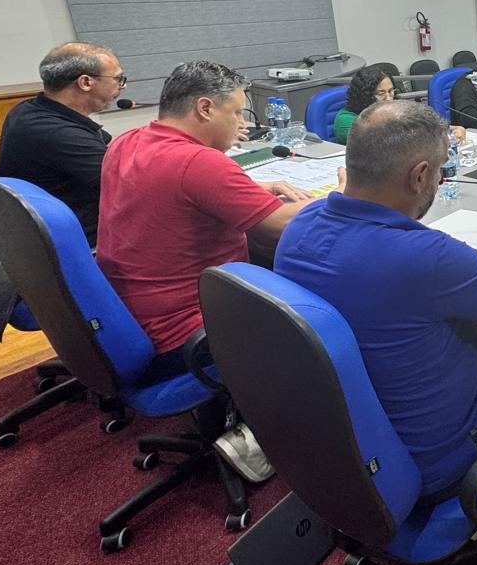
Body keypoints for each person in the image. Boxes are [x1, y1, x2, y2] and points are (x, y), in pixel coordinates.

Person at [275, 101, 477, 497]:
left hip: (348, 445)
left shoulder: (299, 225)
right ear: (420, 176)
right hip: (437, 455)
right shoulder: (425, 256)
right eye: (439, 171)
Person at [97, 60, 329, 370]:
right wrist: (341, 195)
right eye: (235, 113)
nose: (241, 124)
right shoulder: (199, 161)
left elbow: (168, 188)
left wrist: (253, 186)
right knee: (328, 312)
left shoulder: (128, 140)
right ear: (205, 108)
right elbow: (282, 226)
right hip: (188, 332)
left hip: (128, 315)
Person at [0, 42, 123, 245]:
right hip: (83, 243)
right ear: (86, 82)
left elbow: (113, 145)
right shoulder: (56, 133)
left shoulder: (30, 110)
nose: (122, 86)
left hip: (35, 241)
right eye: (118, 79)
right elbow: (131, 181)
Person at [335, 65, 395, 144]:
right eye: (381, 93)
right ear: (365, 95)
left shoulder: (391, 109)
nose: (388, 98)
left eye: (390, 91)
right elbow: (383, 143)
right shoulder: (345, 120)